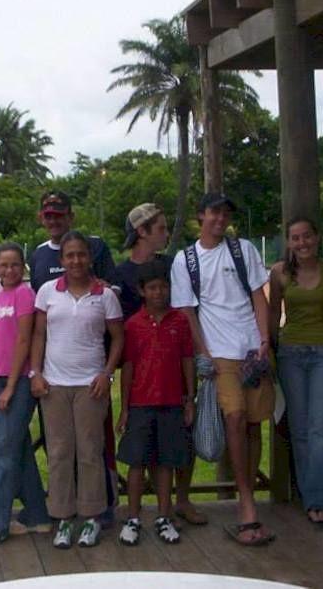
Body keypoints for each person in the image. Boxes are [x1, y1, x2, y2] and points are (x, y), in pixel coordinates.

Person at [170, 192, 276, 547]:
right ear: (200, 216)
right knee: (233, 417)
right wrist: (205, 355)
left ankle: (246, 495)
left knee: (252, 424)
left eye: (225, 213)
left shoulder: (242, 249)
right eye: (213, 212)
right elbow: (187, 312)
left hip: (252, 349)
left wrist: (264, 340)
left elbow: (258, 295)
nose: (219, 219)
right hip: (220, 354)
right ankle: (246, 503)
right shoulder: (185, 261)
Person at [28, 190, 120, 527]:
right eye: (70, 256)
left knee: (91, 451)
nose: (75, 260)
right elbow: (38, 332)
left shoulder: (104, 290)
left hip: (90, 379)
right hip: (53, 381)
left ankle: (95, 513)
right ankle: (62, 515)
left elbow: (118, 335)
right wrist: (35, 372)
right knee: (60, 452)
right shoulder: (43, 276)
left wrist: (107, 373)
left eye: (81, 255)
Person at [115, 202, 206, 527]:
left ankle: (178, 502)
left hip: (174, 361)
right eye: (161, 229)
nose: (166, 234)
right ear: (142, 232)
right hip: (139, 371)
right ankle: (135, 510)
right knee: (140, 452)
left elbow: (186, 305)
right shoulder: (121, 273)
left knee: (179, 444)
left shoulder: (174, 265)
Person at [0, 243, 51, 549]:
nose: (9, 270)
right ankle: (37, 514)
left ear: (23, 266)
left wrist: (12, 386)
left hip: (13, 381)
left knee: (0, 451)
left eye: (15, 265)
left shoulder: (24, 295)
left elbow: (24, 340)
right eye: (3, 265)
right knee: (17, 448)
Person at [116, 259, 194, 547]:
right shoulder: (133, 325)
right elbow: (128, 367)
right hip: (140, 403)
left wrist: (189, 398)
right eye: (152, 288)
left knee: (166, 463)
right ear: (142, 291)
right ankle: (133, 517)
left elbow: (187, 359)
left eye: (163, 287)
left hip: (172, 402)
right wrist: (124, 408)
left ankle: (164, 516)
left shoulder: (180, 321)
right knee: (136, 463)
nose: (158, 293)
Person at [268, 217, 323, 525]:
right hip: (291, 354)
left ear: (317, 237)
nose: (302, 243)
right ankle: (307, 494)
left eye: (307, 236)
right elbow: (273, 312)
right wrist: (270, 349)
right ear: (289, 242)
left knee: (320, 427)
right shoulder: (279, 272)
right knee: (298, 429)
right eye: (295, 238)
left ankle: (321, 499)